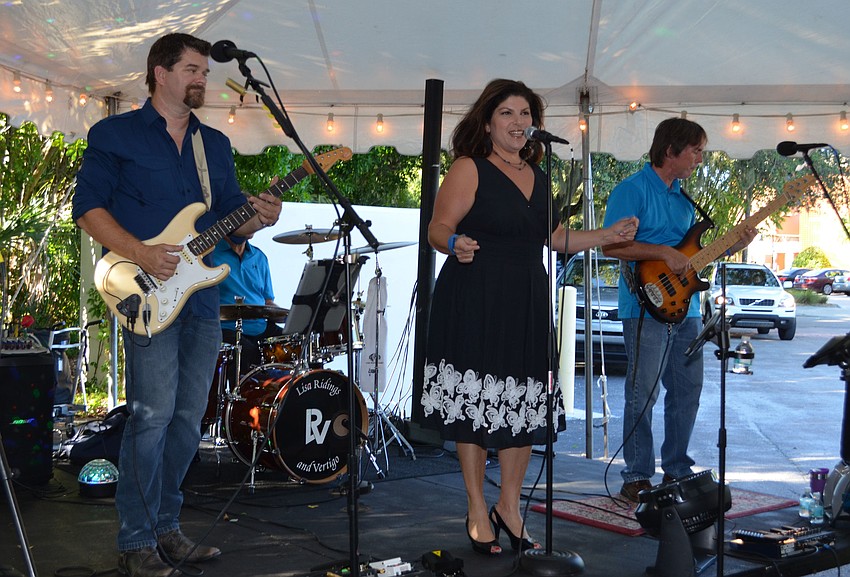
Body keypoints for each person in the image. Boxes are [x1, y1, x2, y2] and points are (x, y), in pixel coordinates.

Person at [72, 33, 282, 577]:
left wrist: (260, 216)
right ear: (160, 73)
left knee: (189, 418)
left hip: (202, 297)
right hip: (145, 292)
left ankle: (167, 527)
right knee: (152, 416)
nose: (201, 79)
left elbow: (232, 217)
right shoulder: (116, 134)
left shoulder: (214, 144)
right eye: (192, 69)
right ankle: (136, 540)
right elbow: (88, 208)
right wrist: (141, 252)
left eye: (205, 72)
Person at [420, 78, 638, 556]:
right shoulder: (469, 168)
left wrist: (606, 235)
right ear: (487, 122)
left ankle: (509, 506)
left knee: (523, 403)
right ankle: (477, 508)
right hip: (475, 294)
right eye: (507, 113)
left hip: (525, 297)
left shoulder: (539, 176)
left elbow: (555, 238)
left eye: (525, 114)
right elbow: (437, 227)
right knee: (476, 403)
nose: (518, 122)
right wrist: (453, 243)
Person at [601, 117, 756, 503]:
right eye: (696, 151)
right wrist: (663, 253)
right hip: (643, 307)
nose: (700, 158)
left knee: (687, 390)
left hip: (687, 310)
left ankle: (677, 469)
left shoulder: (684, 198)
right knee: (643, 393)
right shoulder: (631, 190)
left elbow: (690, 258)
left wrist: (733, 246)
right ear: (671, 151)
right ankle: (636, 476)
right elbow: (611, 246)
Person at [211, 229, 285, 377]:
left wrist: (291, 316)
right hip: (225, 328)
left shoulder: (259, 257)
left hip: (260, 327)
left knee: (298, 341)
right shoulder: (209, 256)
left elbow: (267, 301)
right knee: (245, 350)